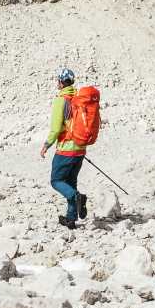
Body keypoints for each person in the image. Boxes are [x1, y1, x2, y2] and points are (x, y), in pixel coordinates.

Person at [40, 68, 101, 229]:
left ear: (60, 82)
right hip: (80, 149)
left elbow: (55, 128)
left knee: (57, 180)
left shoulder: (61, 100)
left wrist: (46, 145)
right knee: (71, 181)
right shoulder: (79, 98)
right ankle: (71, 218)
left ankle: (77, 197)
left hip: (66, 149)